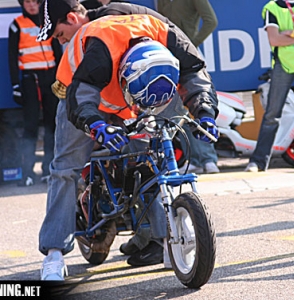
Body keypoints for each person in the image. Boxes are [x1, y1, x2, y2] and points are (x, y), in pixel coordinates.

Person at [37, 0, 218, 280]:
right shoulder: (102, 46)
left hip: (134, 98)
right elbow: (81, 95)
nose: (61, 41)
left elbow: (194, 71)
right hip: (79, 101)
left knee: (152, 160)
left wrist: (205, 112)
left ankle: (164, 241)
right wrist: (97, 125)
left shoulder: (165, 32)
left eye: (60, 34)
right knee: (65, 169)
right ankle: (54, 255)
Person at [157, 0, 219, 174]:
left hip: (188, 55)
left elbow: (211, 20)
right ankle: (194, 159)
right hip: (166, 55)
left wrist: (192, 43)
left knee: (198, 104)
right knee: (177, 107)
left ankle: (208, 159)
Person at [8, 0, 62, 186]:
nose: (31, 5)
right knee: (30, 127)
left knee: (51, 126)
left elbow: (57, 52)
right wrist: (15, 85)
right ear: (22, 4)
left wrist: (62, 78)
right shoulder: (17, 24)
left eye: (35, 1)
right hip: (30, 80)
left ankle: (48, 169)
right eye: (27, 2)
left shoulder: (47, 22)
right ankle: (28, 172)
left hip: (50, 78)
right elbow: (11, 56)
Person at [245, 0, 294, 172]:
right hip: (284, 65)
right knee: (272, 115)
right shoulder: (271, 8)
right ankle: (258, 162)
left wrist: (289, 34)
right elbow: (274, 39)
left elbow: (280, 37)